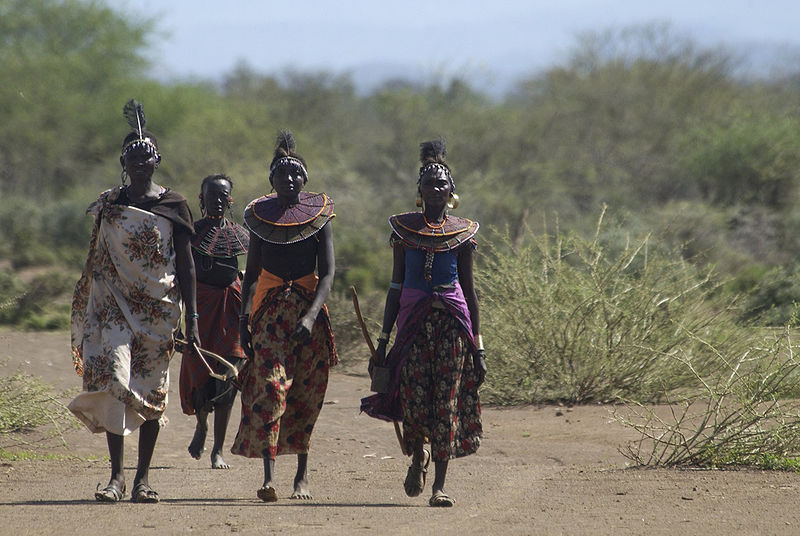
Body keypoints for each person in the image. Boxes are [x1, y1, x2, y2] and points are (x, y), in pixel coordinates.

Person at [69, 99, 198, 503]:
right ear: (124, 162)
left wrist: (192, 320)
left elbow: (188, 267)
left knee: (151, 392)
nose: (141, 164)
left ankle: (142, 479)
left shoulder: (173, 205)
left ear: (157, 161)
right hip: (112, 310)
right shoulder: (109, 204)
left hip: (159, 311)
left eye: (147, 158)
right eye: (133, 158)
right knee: (116, 382)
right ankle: (116, 478)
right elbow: (96, 260)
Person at [360, 138, 486, 507]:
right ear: (419, 191)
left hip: (452, 330)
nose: (435, 189)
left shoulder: (463, 235)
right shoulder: (404, 232)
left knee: (445, 404)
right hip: (413, 329)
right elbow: (396, 287)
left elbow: (470, 293)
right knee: (415, 401)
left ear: (452, 193)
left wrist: (478, 347)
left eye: (441, 184)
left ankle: (439, 487)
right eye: (428, 184)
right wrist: (383, 342)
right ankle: (418, 456)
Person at [231, 130, 337, 502]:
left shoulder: (320, 217)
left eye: (295, 174)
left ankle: (302, 477)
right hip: (270, 315)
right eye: (282, 175)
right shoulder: (259, 219)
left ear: (304, 179)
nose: (289, 180)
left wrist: (310, 317)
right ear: (271, 181)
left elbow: (328, 273)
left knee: (306, 395)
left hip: (309, 316)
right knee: (273, 390)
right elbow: (253, 274)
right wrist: (245, 320)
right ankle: (269, 476)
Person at [179, 174, 249, 469]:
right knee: (198, 375)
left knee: (229, 377)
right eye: (212, 196)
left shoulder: (239, 235)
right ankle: (202, 425)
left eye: (223, 196)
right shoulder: (190, 234)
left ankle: (218, 449)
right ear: (201, 198)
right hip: (201, 310)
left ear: (230, 200)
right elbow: (184, 276)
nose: (218, 201)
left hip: (231, 308)